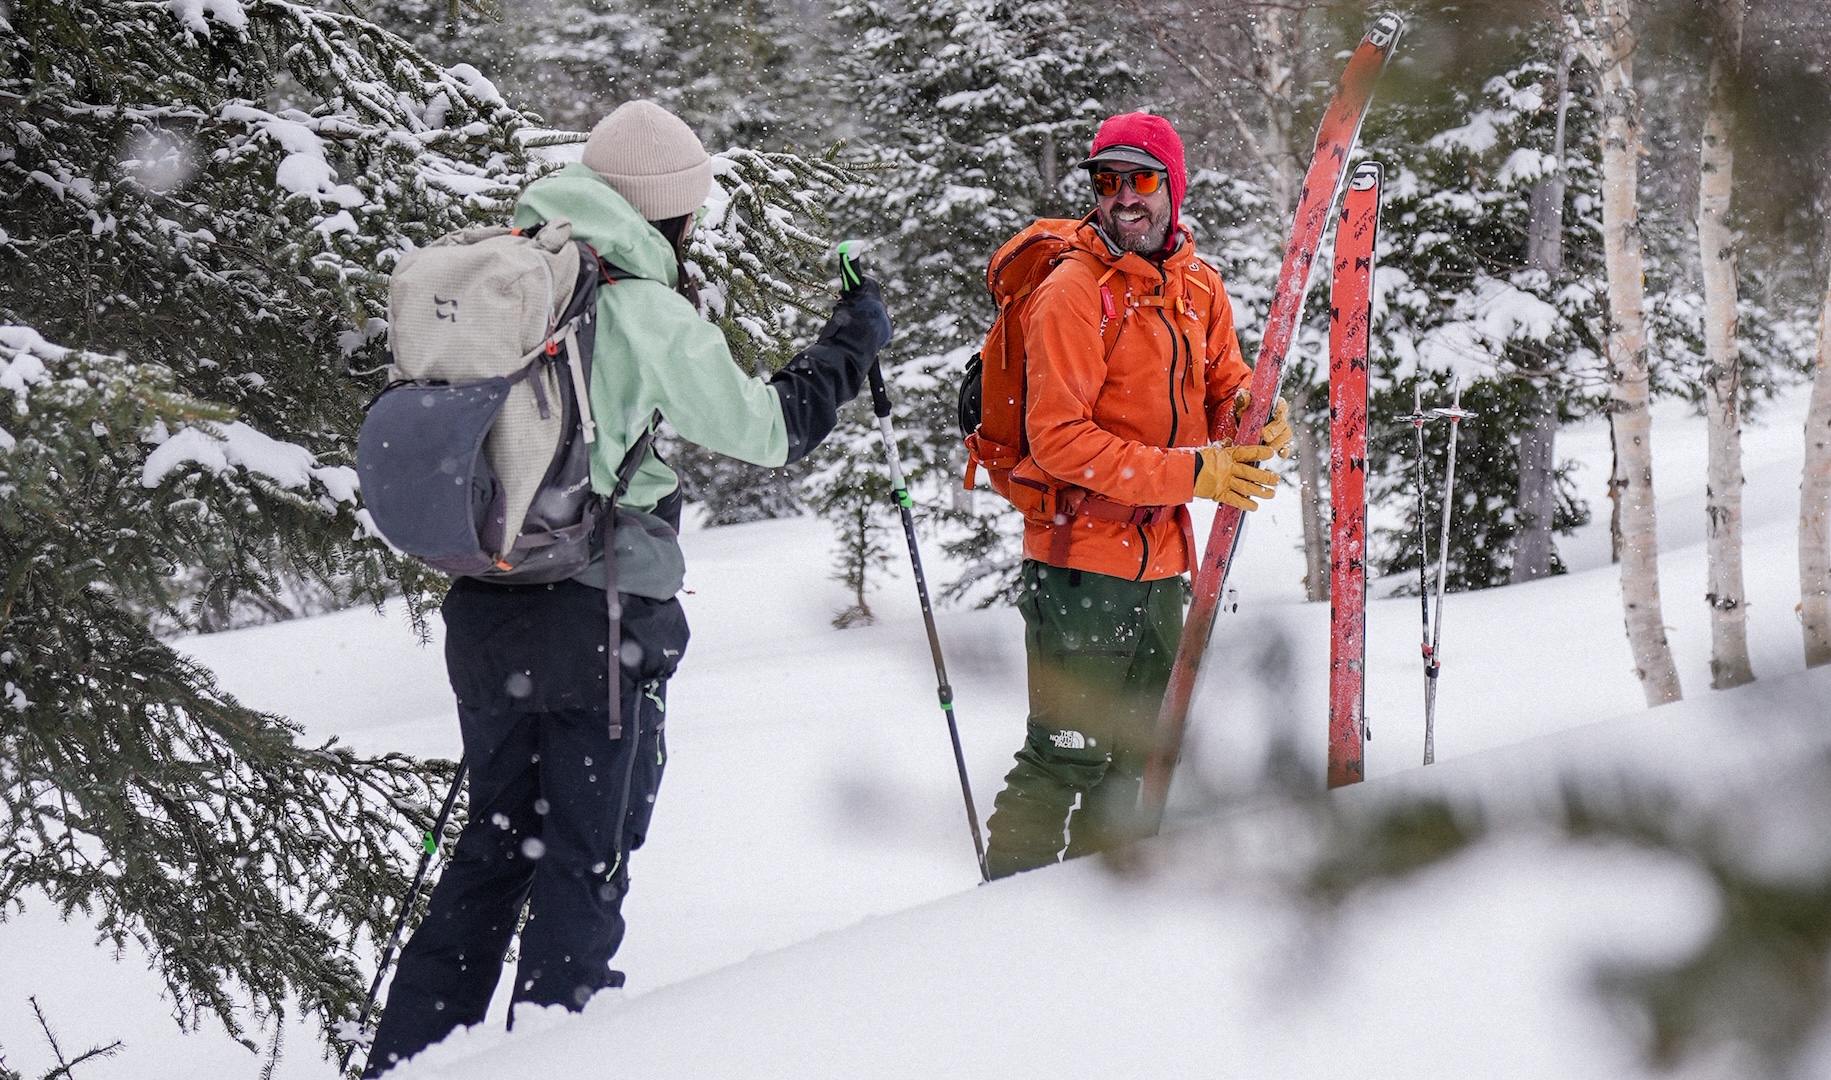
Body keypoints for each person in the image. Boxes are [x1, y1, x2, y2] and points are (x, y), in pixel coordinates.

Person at [363, 100, 890, 1075]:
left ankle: (407, 1058)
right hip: (596, 624)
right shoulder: (636, 306)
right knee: (580, 861)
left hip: (484, 609)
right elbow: (770, 430)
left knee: (491, 850)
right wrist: (850, 341)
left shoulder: (506, 274)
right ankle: (553, 1053)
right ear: (669, 214)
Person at [981, 112, 1291, 880]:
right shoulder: (1073, 295)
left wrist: (1256, 412)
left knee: (1134, 768)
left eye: (1142, 179)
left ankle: (1096, 933)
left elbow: (1223, 386)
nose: (1124, 198)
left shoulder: (1198, 287)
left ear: (1172, 188)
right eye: (1107, 181)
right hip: (1080, 563)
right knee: (1064, 762)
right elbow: (1060, 440)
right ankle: (993, 932)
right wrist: (1199, 474)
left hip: (1162, 571)